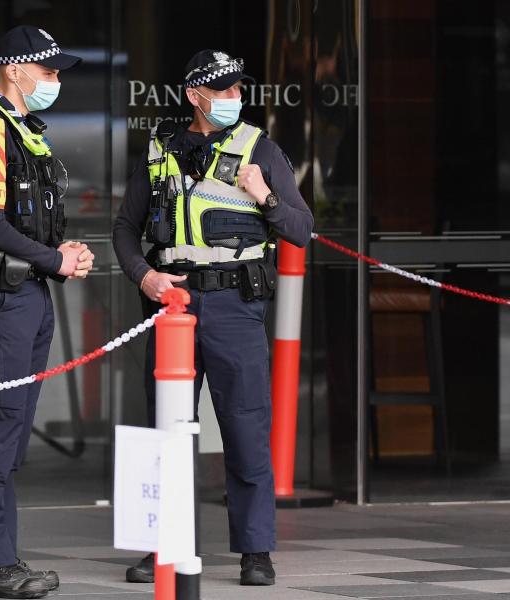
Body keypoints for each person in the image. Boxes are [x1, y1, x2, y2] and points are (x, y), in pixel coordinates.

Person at [112, 49, 314, 587]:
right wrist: (144, 276)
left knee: (245, 424)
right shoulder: (160, 151)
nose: (233, 98)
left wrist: (263, 193)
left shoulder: (260, 150)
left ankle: (255, 551)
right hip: (172, 303)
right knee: (165, 430)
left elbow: (300, 228)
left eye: (237, 89)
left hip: (233, 306)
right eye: (222, 90)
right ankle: (162, 545)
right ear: (194, 96)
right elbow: (125, 229)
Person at [0, 25, 93, 599]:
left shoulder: (24, 130)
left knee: (12, 431)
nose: (55, 81)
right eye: (49, 71)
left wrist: (62, 254)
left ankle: (0, 555)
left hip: (28, 292)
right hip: (4, 296)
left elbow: (26, 220)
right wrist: (55, 259)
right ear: (14, 70)